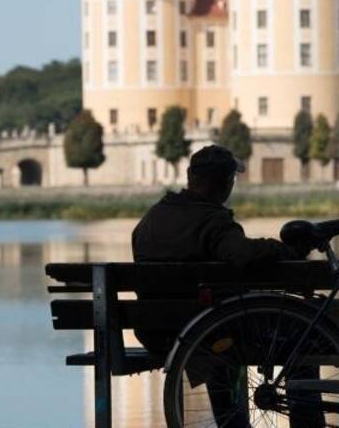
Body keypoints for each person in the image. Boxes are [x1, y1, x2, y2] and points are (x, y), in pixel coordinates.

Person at [133, 144, 315, 428]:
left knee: (219, 326)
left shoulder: (150, 220)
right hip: (209, 333)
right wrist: (284, 250)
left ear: (190, 177)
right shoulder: (212, 221)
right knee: (304, 341)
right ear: (226, 183)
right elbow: (242, 254)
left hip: (158, 333)